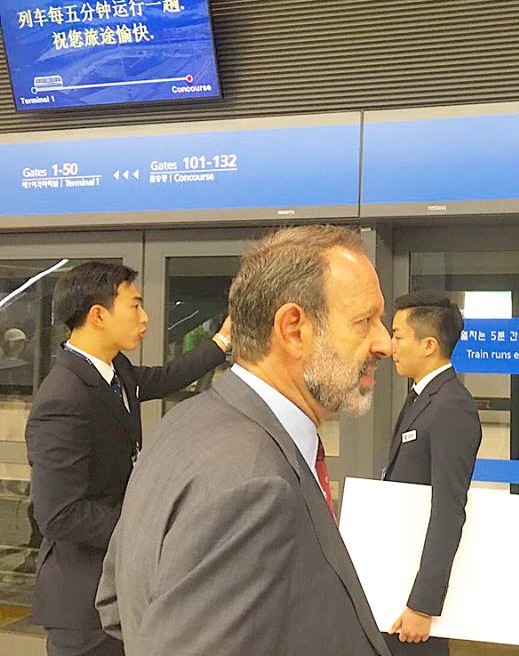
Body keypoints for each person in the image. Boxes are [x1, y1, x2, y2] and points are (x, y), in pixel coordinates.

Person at [96, 225, 393, 656]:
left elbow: (115, 604)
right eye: (365, 321)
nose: (384, 342)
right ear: (293, 329)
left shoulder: (183, 424)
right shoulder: (256, 489)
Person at [25, 261, 230, 656]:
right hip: (82, 602)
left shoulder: (114, 370)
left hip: (116, 587)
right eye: (134, 306)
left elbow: (165, 377)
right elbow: (60, 514)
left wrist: (222, 342)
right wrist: (143, 527)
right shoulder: (63, 398)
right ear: (98, 315)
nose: (145, 317)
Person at [383, 291, 481, 656]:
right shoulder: (422, 397)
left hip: (416, 603)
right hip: (397, 576)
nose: (391, 346)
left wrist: (423, 605)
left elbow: (448, 509)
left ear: (429, 345)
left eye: (398, 336)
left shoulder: (451, 406)